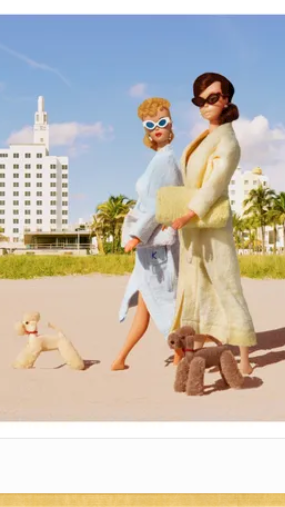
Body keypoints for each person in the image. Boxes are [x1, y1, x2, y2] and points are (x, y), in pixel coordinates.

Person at [169, 73, 257, 375]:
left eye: (211, 98)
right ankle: (195, 349)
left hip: (210, 221)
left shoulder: (228, 140)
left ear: (226, 99)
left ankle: (244, 358)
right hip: (192, 226)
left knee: (225, 283)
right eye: (199, 100)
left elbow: (214, 185)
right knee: (194, 285)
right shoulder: (205, 136)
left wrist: (188, 213)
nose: (205, 106)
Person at [111, 97, 183, 371]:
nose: (157, 128)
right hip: (150, 247)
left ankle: (180, 354)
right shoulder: (159, 159)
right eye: (151, 124)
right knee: (148, 302)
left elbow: (158, 204)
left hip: (155, 247)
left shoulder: (166, 160)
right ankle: (121, 358)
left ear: (171, 123)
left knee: (164, 302)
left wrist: (137, 236)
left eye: (162, 122)